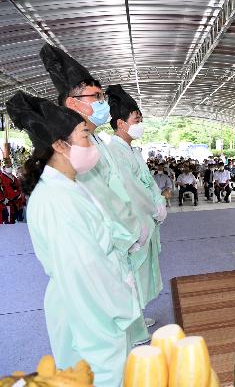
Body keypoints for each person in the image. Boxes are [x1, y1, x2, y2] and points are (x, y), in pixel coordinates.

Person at [6, 92, 144, 386]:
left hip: (96, 298)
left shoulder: (69, 187)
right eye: (84, 136)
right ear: (59, 145)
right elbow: (85, 270)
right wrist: (123, 303)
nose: (90, 144)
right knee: (101, 374)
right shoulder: (57, 201)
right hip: (90, 307)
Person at [40, 44, 154, 336]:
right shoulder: (72, 150)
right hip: (96, 261)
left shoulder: (95, 140)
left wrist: (133, 229)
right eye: (96, 96)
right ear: (74, 102)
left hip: (115, 250)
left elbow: (116, 195)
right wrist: (126, 236)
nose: (103, 102)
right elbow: (96, 205)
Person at [106, 85, 166, 314]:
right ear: (121, 123)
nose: (140, 125)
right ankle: (133, 322)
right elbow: (131, 189)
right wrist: (153, 207)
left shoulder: (131, 150)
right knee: (131, 271)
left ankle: (138, 315)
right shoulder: (115, 151)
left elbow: (148, 182)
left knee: (141, 273)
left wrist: (159, 201)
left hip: (145, 216)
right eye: (136, 119)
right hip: (132, 220)